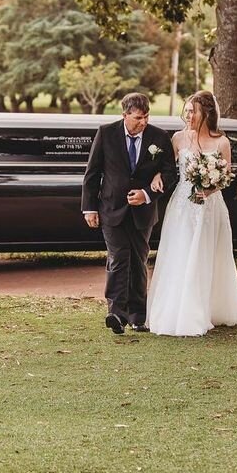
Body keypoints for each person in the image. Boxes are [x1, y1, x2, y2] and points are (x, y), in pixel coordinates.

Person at [146, 91, 237, 337]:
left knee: (208, 254)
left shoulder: (222, 142)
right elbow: (165, 168)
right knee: (181, 252)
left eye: (193, 111)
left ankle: (210, 307)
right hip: (182, 206)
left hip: (211, 207)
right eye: (186, 111)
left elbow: (226, 177)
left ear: (206, 113)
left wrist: (210, 188)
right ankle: (179, 309)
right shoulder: (178, 138)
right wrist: (156, 175)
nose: (188, 115)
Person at [81, 93, 178, 333]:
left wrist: (146, 194)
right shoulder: (106, 133)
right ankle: (116, 313)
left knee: (138, 261)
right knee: (118, 258)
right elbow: (93, 173)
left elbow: (170, 173)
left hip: (143, 212)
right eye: (137, 118)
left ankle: (138, 316)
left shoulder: (159, 137)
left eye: (146, 117)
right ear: (124, 115)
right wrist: (89, 208)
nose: (142, 122)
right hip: (111, 210)